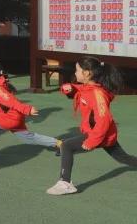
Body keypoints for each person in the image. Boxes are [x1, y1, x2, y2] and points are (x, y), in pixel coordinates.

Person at [47, 58, 137, 196]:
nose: (75, 73)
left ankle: (65, 183)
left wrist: (92, 141)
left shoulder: (97, 94)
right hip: (103, 134)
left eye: (77, 70)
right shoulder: (90, 88)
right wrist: (70, 89)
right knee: (124, 158)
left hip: (100, 134)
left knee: (66, 145)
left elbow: (104, 119)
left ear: (87, 73)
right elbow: (81, 89)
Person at [0, 62, 58, 161]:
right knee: (28, 137)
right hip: (15, 116)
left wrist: (27, 109)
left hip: (6, 118)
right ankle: (60, 144)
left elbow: (10, 101)